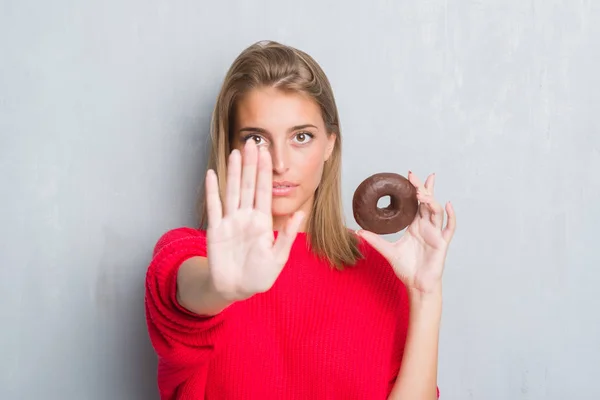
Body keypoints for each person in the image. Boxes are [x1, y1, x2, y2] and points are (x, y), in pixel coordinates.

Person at [145, 40, 456, 400]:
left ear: (329, 145)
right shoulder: (191, 256)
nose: (279, 162)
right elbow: (185, 292)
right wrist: (222, 288)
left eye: (301, 137)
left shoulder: (380, 271)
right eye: (257, 138)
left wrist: (424, 294)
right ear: (230, 148)